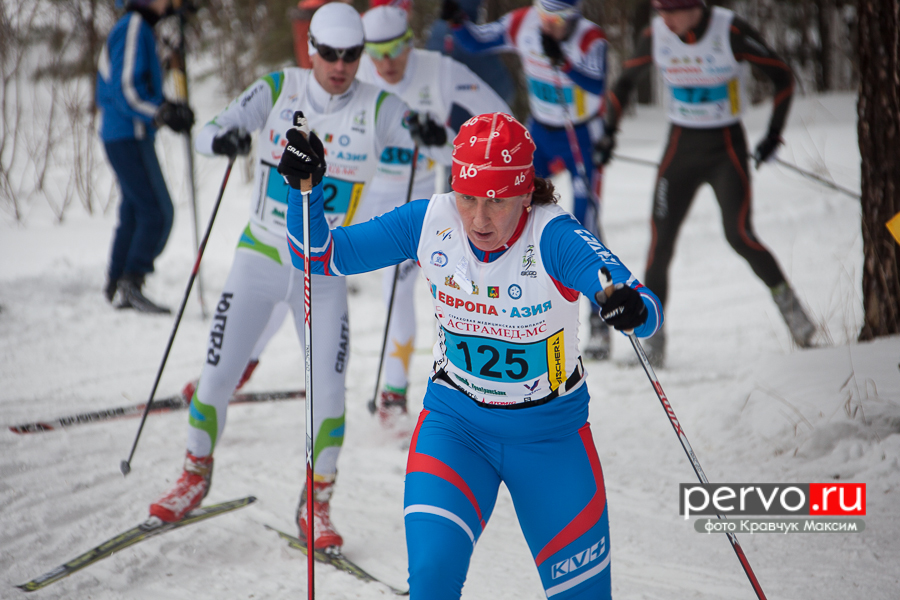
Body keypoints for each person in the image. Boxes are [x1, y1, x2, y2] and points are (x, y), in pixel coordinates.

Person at [279, 111, 663, 599]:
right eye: (468, 197)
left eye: (497, 201)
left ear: (525, 193)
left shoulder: (554, 236)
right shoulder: (430, 221)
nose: (479, 219)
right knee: (433, 580)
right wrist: (303, 186)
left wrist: (627, 306)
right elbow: (319, 255)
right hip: (455, 430)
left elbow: (641, 304)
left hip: (550, 439)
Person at [147, 2, 450, 551]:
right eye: (329, 53)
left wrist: (433, 133)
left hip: (323, 267)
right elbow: (208, 129)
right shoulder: (278, 88)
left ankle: (317, 502)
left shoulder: (380, 106)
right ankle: (193, 475)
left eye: (351, 55)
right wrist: (223, 140)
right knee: (217, 374)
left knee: (329, 392)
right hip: (260, 254)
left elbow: (438, 144)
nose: (339, 64)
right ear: (311, 49)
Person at [596, 0, 816, 366]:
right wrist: (608, 135)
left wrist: (774, 134)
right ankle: (654, 341)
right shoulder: (656, 34)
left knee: (740, 235)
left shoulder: (729, 31)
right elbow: (623, 83)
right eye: (658, 10)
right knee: (660, 243)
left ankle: (798, 320)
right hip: (680, 148)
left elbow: (783, 76)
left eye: (671, 11)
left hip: (725, 148)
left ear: (695, 6)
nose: (664, 19)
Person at [355, 4, 512, 416]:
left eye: (394, 50)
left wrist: (448, 137)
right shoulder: (355, 70)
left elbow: (501, 119)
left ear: (409, 43)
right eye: (377, 52)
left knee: (402, 287)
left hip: (419, 200)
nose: (386, 63)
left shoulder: (439, 70)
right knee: (307, 270)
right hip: (364, 194)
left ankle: (396, 389)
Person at [441, 0, 614, 361]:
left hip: (580, 134)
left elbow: (597, 84)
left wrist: (563, 61)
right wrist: (457, 22)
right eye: (546, 17)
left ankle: (600, 320)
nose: (551, 26)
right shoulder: (522, 22)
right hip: (541, 132)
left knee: (586, 226)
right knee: (513, 208)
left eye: (560, 20)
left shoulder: (589, 39)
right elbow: (476, 42)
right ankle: (512, 302)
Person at [97, 0, 195, 313]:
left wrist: (169, 107)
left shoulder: (141, 29)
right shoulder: (133, 27)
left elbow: (143, 81)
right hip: (128, 135)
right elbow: (126, 89)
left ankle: (117, 282)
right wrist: (162, 112)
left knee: (135, 211)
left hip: (126, 135)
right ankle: (132, 281)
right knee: (157, 212)